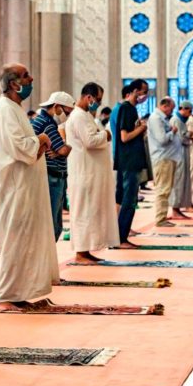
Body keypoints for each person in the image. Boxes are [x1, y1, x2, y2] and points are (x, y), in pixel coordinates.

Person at [0, 63, 58, 311]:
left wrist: (39, 142)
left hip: (24, 188)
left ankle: (20, 292)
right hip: (12, 189)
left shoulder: (14, 109)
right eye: (27, 76)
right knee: (14, 242)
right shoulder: (5, 110)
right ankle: (6, 295)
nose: (32, 78)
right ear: (15, 83)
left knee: (24, 242)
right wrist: (41, 139)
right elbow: (20, 147)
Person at [66, 82, 119, 263]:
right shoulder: (79, 116)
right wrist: (106, 134)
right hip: (83, 174)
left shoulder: (85, 115)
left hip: (90, 174)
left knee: (90, 213)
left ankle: (86, 251)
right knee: (83, 213)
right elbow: (90, 141)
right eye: (97, 99)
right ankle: (80, 253)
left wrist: (102, 133)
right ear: (88, 97)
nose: (98, 103)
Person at [31, 91, 74, 241]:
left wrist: (62, 148)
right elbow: (63, 150)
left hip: (50, 175)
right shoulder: (48, 124)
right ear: (57, 107)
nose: (68, 116)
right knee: (52, 225)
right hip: (52, 176)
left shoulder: (42, 120)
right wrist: (67, 147)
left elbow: (59, 149)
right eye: (67, 112)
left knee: (52, 223)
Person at [113, 79, 149, 249]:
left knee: (125, 197)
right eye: (143, 91)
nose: (145, 95)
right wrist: (141, 129)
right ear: (135, 91)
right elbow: (124, 137)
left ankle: (119, 236)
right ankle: (121, 238)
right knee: (129, 199)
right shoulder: (127, 109)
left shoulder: (129, 109)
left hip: (127, 161)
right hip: (129, 162)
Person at [147, 97, 178, 227]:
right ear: (165, 106)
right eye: (171, 108)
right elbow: (162, 140)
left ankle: (162, 217)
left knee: (165, 189)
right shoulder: (156, 119)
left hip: (167, 158)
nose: (172, 111)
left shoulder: (162, 119)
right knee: (163, 189)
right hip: (162, 158)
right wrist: (172, 132)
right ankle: (160, 219)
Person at [168, 101, 193, 219]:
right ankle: (175, 209)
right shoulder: (176, 120)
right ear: (183, 109)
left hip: (183, 152)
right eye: (189, 110)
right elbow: (180, 138)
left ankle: (179, 207)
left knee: (183, 180)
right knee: (178, 180)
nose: (190, 113)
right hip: (178, 153)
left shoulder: (182, 121)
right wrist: (189, 134)